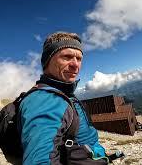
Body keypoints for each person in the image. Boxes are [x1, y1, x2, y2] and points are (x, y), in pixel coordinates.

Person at [18, 32, 108, 164]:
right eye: (67, 57)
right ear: (47, 60)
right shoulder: (45, 101)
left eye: (79, 59)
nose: (75, 65)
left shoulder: (62, 93)